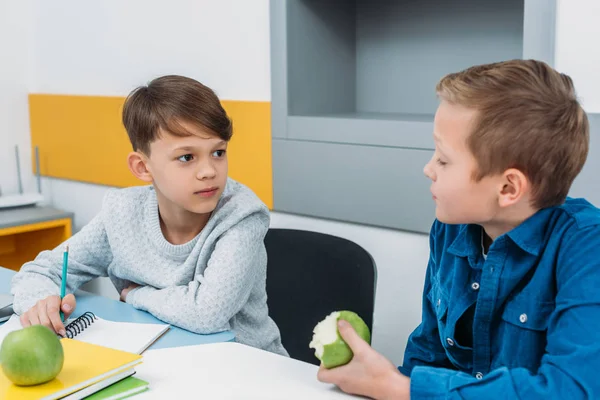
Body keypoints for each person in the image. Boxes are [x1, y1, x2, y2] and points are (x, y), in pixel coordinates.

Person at [318, 59, 600, 398]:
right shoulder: (450, 230)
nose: (428, 168)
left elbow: (569, 391)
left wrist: (400, 389)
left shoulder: (587, 248)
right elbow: (428, 355)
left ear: (509, 188)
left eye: (443, 159)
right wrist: (387, 382)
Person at [11, 75, 288, 356]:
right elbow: (42, 270)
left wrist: (136, 294)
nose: (209, 171)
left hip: (247, 365)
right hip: (163, 360)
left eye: (218, 152)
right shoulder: (122, 213)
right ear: (143, 167)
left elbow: (208, 312)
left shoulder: (242, 216)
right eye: (187, 157)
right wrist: (40, 302)